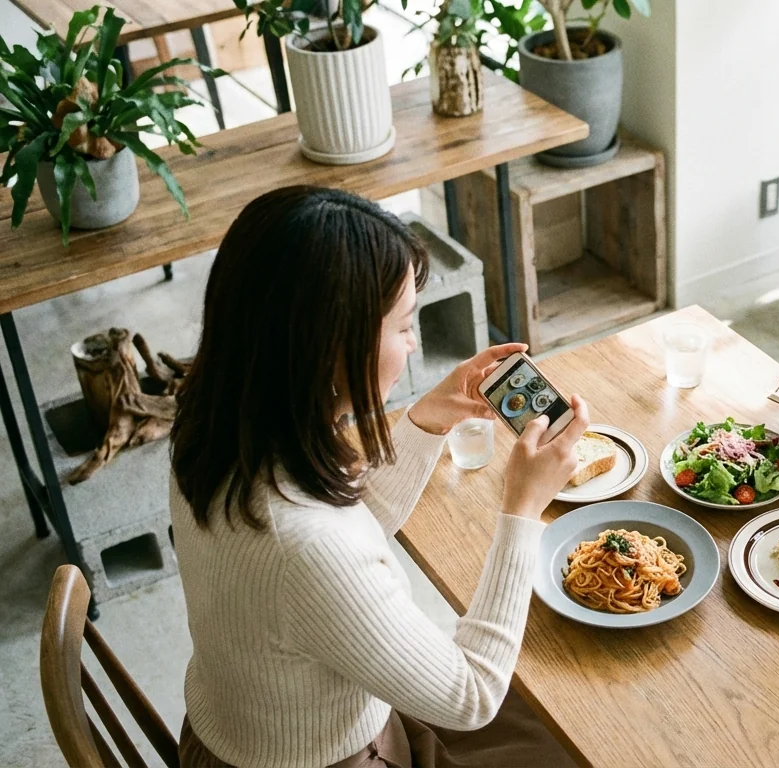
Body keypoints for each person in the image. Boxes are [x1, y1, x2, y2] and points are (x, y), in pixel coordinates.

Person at [169, 186, 589, 768]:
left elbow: (344, 531)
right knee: (579, 726)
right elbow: (470, 699)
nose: (416, 346)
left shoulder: (214, 428)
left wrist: (429, 420)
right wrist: (523, 509)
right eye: (404, 326)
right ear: (329, 348)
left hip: (237, 731)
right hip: (339, 756)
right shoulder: (306, 548)